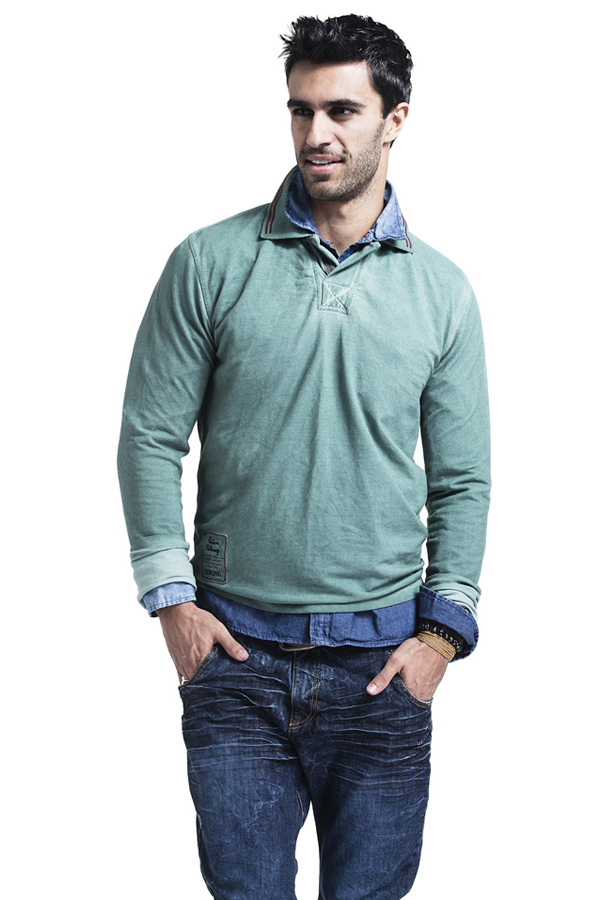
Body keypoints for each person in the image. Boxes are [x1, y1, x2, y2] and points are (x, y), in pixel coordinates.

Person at [118, 14, 490, 900]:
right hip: (235, 658)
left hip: (383, 667)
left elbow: (463, 479)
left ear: (396, 119)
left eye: (342, 111)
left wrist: (440, 637)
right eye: (300, 110)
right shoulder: (209, 262)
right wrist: (172, 603)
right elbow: (150, 435)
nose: (316, 133)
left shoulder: (442, 292)